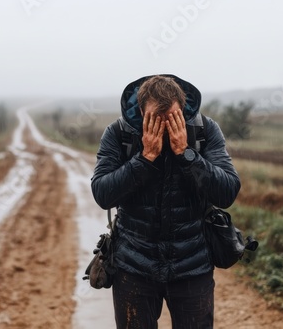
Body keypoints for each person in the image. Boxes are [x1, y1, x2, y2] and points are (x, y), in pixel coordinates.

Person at [91, 75, 241, 328]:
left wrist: (187, 154)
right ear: (140, 112)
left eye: (171, 117)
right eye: (154, 119)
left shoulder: (204, 130)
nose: (163, 125)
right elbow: (103, 194)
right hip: (133, 266)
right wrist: (145, 158)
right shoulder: (119, 133)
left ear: (182, 111)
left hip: (193, 266)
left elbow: (226, 193)